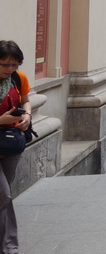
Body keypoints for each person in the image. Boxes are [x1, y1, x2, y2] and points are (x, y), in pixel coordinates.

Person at [0, 40, 33, 252]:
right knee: (3, 195)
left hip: (11, 143)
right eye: (5, 64)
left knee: (4, 195)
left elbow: (26, 101)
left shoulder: (18, 79)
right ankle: (9, 246)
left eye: (15, 64)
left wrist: (28, 115)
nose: (10, 69)